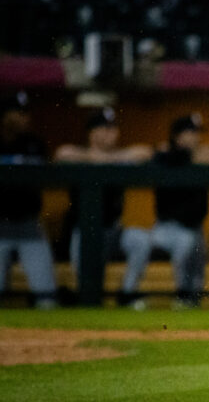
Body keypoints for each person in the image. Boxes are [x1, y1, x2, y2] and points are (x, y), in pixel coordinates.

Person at [54, 107, 154, 309]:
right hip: (84, 232)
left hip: (113, 230)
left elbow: (146, 152)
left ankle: (127, 293)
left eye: (113, 128)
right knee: (87, 284)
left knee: (141, 240)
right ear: (92, 132)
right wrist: (95, 157)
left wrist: (107, 159)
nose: (111, 133)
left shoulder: (120, 156)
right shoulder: (78, 154)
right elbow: (61, 153)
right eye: (105, 128)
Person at [151, 113, 209, 308]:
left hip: (195, 225)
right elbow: (159, 155)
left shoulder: (201, 155)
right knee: (185, 246)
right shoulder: (165, 155)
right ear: (177, 136)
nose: (196, 137)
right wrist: (193, 158)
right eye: (190, 132)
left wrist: (197, 157)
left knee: (199, 261)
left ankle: (192, 299)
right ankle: (182, 294)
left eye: (197, 133)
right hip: (167, 227)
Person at [0, 92, 58, 309]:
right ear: (5, 116)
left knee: (47, 298)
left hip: (29, 225)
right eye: (19, 113)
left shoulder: (34, 144)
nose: (25, 118)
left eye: (26, 113)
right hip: (0, 225)